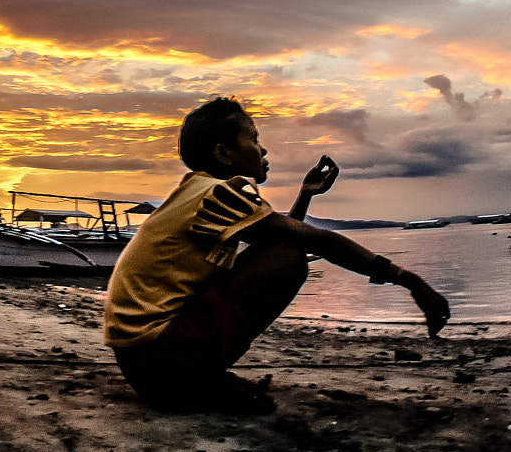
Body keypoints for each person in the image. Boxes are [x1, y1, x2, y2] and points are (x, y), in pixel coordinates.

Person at [104, 97, 451, 415]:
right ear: (224, 153)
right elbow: (317, 243)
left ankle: (198, 378)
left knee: (284, 252)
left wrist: (304, 197)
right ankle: (196, 383)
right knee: (289, 259)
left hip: (145, 361)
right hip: (160, 360)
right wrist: (411, 281)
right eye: (253, 139)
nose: (262, 148)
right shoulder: (219, 193)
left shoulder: (198, 190)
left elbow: (279, 240)